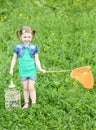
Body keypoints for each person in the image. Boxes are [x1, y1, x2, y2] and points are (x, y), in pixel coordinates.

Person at [10, 26, 46, 109]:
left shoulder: (34, 48)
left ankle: (33, 103)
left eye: (29, 37)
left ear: (32, 36)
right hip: (23, 71)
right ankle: (26, 103)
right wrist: (11, 68)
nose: (27, 39)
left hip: (32, 71)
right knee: (25, 87)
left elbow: (37, 59)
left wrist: (40, 68)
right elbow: (14, 59)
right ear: (20, 36)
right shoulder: (18, 48)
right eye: (25, 37)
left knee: (31, 87)